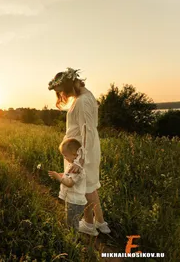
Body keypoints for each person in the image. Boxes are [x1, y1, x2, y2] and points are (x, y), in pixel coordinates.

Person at [48, 67, 111, 236]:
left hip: (81, 151)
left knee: (85, 188)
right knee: (90, 186)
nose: (62, 96)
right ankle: (100, 222)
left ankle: (89, 226)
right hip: (83, 149)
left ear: (69, 87)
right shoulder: (86, 95)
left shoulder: (82, 101)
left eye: (61, 91)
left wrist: (80, 160)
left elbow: (87, 131)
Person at [48, 138, 87, 232]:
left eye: (65, 155)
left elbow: (70, 183)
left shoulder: (77, 169)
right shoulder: (72, 165)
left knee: (72, 223)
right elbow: (68, 176)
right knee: (70, 220)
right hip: (72, 199)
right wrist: (60, 174)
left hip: (75, 201)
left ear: (75, 155)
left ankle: (74, 240)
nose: (64, 158)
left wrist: (58, 178)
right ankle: (71, 235)